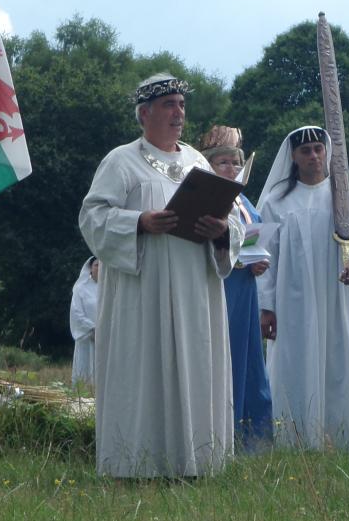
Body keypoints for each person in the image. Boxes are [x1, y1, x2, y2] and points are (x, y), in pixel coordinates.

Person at [78, 72, 243, 478]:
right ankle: (137, 462)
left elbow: (235, 219)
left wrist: (222, 231)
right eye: (169, 105)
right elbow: (92, 217)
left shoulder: (197, 161)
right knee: (145, 367)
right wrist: (139, 221)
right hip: (143, 293)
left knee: (194, 362)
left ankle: (197, 460)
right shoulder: (121, 161)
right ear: (145, 114)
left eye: (182, 105)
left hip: (194, 290)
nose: (178, 113)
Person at [256, 126, 349, 451]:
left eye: (319, 149)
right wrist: (266, 306)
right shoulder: (276, 202)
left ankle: (341, 439)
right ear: (293, 156)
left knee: (337, 360)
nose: (314, 156)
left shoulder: (344, 196)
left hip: (335, 294)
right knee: (294, 361)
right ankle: (294, 438)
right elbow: (264, 256)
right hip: (293, 298)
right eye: (306, 151)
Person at [199, 125, 273, 448]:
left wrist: (258, 262)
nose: (231, 168)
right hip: (220, 286)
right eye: (223, 162)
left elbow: (253, 237)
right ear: (209, 165)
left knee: (249, 358)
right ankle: (221, 432)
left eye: (236, 162)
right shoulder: (207, 198)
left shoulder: (243, 200)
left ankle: (252, 436)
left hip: (245, 289)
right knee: (224, 354)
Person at [69, 257, 99, 387]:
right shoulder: (80, 288)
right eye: (97, 265)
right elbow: (76, 313)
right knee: (84, 371)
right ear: (90, 268)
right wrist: (92, 328)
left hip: (104, 338)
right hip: (86, 337)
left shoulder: (109, 288)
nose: (99, 268)